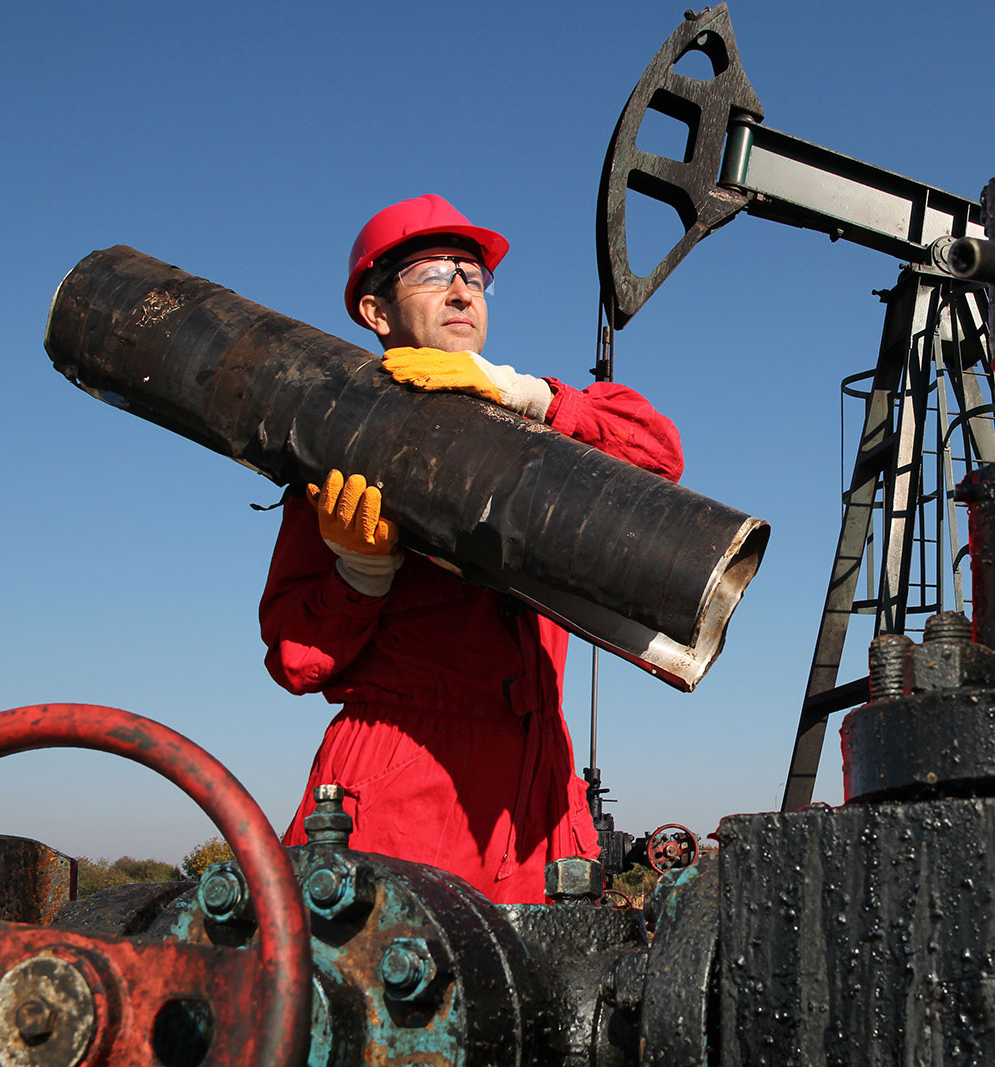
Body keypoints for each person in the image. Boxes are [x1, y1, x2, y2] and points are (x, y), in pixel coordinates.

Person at [261, 194, 683, 903]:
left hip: (540, 793)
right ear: (375, 311)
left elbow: (660, 458)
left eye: (473, 276)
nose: (462, 290)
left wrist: (525, 395)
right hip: (404, 787)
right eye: (433, 273)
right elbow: (297, 660)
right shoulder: (340, 449)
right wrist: (360, 573)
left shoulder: (534, 425)